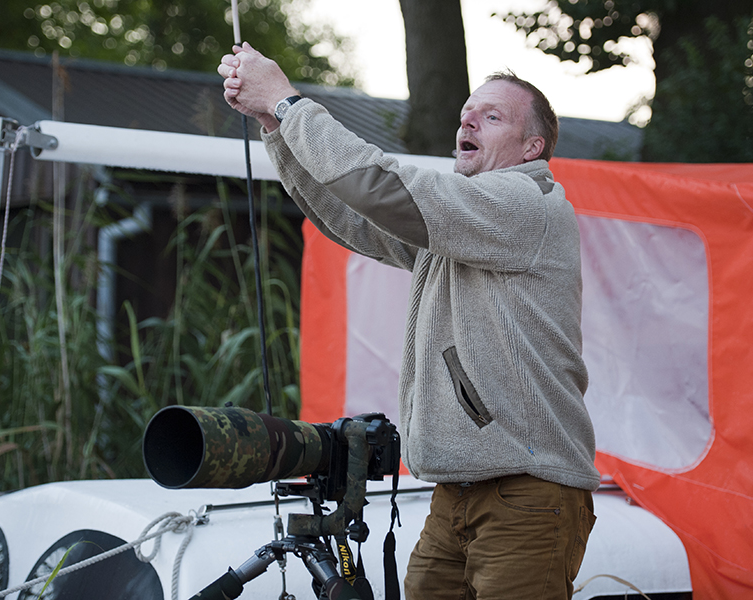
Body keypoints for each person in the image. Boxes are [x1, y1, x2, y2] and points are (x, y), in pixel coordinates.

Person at [218, 42, 600, 600]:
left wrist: (288, 100)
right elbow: (352, 213)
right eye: (466, 112)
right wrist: (272, 122)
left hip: (529, 493)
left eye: (491, 116)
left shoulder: (525, 201)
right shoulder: (465, 218)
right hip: (457, 491)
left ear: (531, 148)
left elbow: (381, 185)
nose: (467, 119)